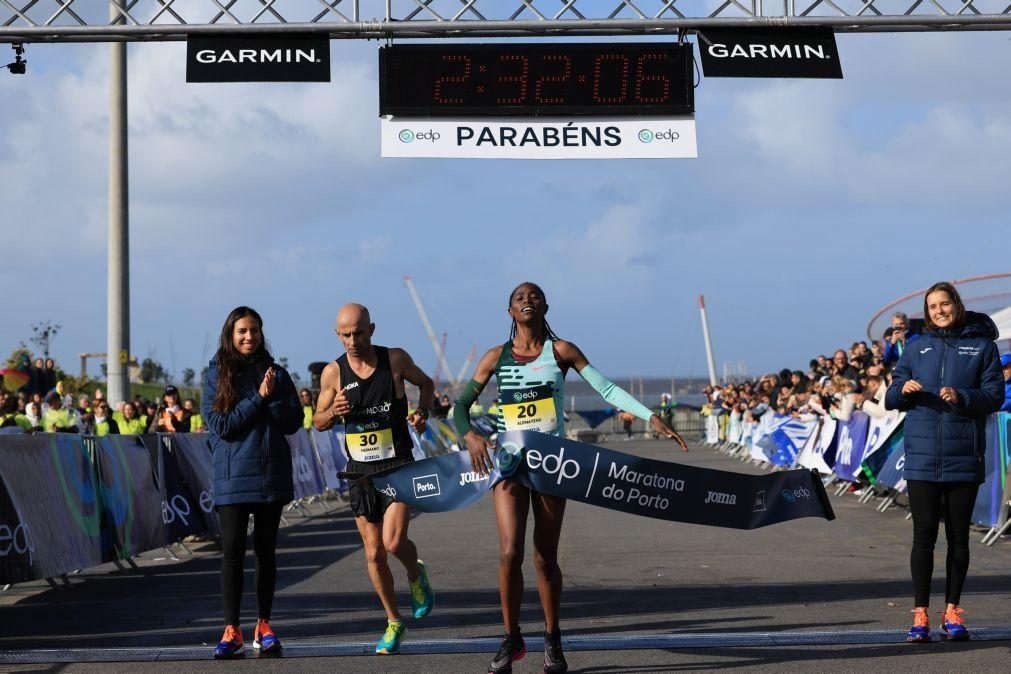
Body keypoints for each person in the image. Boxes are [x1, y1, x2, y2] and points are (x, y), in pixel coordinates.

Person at [453, 282, 688, 674]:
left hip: (552, 464)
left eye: (534, 296)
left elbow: (606, 388)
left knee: (545, 558)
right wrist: (471, 434)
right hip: (510, 464)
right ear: (509, 312)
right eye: (518, 298)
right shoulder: (496, 357)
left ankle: (552, 639)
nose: (527, 300)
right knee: (509, 554)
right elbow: (461, 405)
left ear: (546, 306)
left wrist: (650, 416)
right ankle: (510, 639)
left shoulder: (561, 352)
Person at [313, 303, 435, 656]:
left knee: (394, 543)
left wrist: (422, 412)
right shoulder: (332, 374)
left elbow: (425, 384)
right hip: (360, 472)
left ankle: (415, 574)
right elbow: (318, 420)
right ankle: (394, 622)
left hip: (396, 465)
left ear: (372, 329)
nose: (353, 340)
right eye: (346, 334)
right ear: (337, 334)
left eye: (359, 332)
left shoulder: (394, 360)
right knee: (374, 553)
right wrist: (331, 412)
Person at [884, 282, 1004, 643]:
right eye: (932, 306)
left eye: (944, 304)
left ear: (957, 304)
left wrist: (963, 396)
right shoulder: (917, 347)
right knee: (923, 539)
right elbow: (891, 395)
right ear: (928, 311)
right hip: (920, 459)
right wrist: (901, 392)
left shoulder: (982, 346)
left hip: (963, 457)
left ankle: (952, 611)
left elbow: (995, 395)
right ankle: (920, 615)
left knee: (958, 541)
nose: (939, 311)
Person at [201, 306, 302, 659]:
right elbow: (222, 426)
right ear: (230, 334)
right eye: (242, 331)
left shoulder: (277, 374)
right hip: (232, 478)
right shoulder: (215, 375)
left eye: (255, 330)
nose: (249, 337)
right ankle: (231, 629)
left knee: (266, 554)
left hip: (271, 476)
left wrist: (272, 395)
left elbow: (292, 421)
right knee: (231, 553)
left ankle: (264, 625)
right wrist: (259, 397)